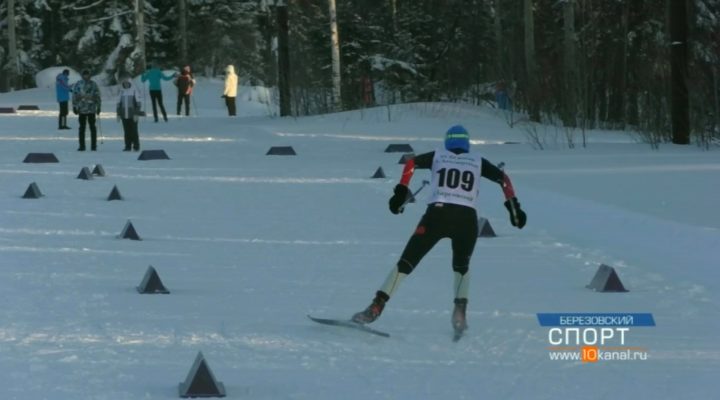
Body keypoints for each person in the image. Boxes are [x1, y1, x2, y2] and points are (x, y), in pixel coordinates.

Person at [351, 125, 527, 337]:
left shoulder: (439, 155)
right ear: (466, 143)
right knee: (461, 267)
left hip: (437, 215)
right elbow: (504, 180)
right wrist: (513, 207)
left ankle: (375, 307)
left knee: (406, 263)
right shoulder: (477, 160)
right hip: (466, 219)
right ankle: (460, 314)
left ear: (448, 142)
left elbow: (410, 163)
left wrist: (400, 194)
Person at [71, 69, 102, 151]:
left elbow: (97, 95)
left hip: (91, 109)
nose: (86, 76)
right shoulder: (78, 84)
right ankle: (82, 145)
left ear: (89, 75)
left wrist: (99, 107)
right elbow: (74, 95)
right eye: (84, 75)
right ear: (82, 75)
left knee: (92, 128)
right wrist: (74, 106)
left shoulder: (93, 84)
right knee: (82, 128)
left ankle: (93, 145)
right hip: (82, 109)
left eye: (87, 75)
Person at [116, 76, 142, 151]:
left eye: (127, 83)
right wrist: (118, 114)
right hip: (124, 115)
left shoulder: (134, 91)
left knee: (134, 131)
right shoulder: (121, 91)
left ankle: (136, 146)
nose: (126, 84)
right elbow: (118, 103)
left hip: (133, 115)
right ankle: (128, 146)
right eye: (124, 83)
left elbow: (138, 103)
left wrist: (136, 113)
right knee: (126, 131)